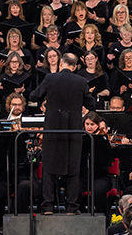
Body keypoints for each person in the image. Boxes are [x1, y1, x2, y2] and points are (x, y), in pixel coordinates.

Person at [29, 52, 91, 212]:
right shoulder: (82, 81)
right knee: (73, 169)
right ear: (75, 67)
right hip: (73, 132)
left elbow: (34, 96)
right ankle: (71, 206)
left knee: (49, 168)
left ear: (61, 64)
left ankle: (48, 206)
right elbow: (91, 104)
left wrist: (45, 102)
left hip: (53, 130)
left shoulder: (50, 79)